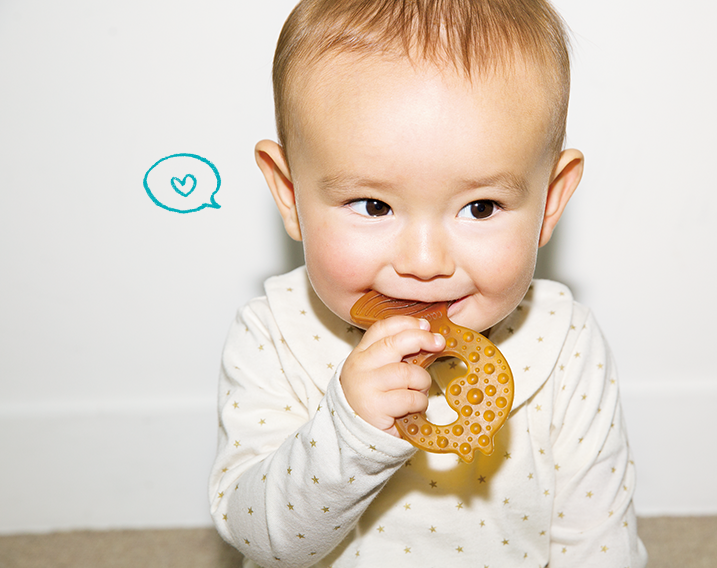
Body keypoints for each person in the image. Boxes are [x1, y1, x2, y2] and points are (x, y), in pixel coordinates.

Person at [209, 1, 647, 566]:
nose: (424, 262)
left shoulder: (565, 342)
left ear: (549, 203)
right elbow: (260, 538)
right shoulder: (271, 335)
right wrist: (349, 434)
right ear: (290, 195)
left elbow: (596, 536)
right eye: (373, 205)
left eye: (480, 207)